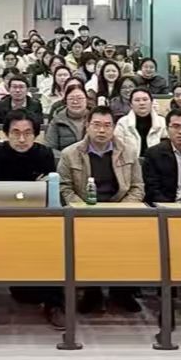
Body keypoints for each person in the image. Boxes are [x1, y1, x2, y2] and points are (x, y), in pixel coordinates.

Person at [0, 110, 63, 329]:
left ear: (36, 134)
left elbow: (50, 190)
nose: (22, 139)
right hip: (0, 219)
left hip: (37, 220)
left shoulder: (44, 154)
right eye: (16, 133)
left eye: (28, 133)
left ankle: (55, 303)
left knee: (55, 243)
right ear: (6, 134)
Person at [57, 107, 145, 313]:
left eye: (107, 125)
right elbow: (64, 188)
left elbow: (137, 187)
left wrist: (121, 211)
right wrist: (82, 210)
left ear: (114, 128)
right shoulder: (70, 154)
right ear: (87, 126)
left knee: (129, 238)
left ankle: (121, 292)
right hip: (84, 212)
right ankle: (92, 292)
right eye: (96, 125)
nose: (102, 130)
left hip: (120, 210)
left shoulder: (128, 151)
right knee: (86, 239)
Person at [115, 88, 167, 157]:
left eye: (145, 99)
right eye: (137, 100)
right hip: (130, 162)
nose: (142, 103)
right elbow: (118, 148)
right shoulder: (123, 122)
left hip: (156, 161)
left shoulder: (162, 122)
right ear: (131, 104)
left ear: (151, 102)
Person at [45, 86, 90, 153]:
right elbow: (50, 149)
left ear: (86, 100)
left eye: (79, 98)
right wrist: (66, 158)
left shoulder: (95, 119)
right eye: (71, 98)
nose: (75, 102)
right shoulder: (57, 121)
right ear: (66, 101)